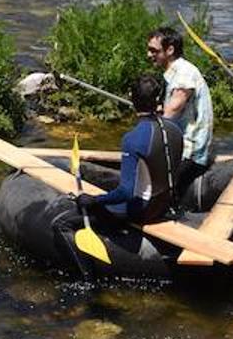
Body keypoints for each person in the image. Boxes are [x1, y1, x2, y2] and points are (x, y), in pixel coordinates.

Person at [75, 74, 183, 225]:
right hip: (167, 203)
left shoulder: (132, 139)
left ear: (132, 100)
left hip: (145, 210)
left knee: (67, 220)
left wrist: (94, 200)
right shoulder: (175, 129)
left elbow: (126, 192)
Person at [145, 26, 213, 192]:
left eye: (154, 51)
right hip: (180, 142)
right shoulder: (175, 72)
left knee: (159, 190)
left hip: (190, 150)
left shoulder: (184, 74)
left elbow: (169, 114)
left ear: (170, 50)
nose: (149, 55)